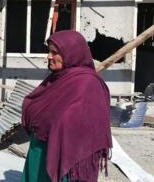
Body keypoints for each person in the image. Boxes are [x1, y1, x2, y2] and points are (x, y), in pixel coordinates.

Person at [20, 30, 112, 182]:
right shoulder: (57, 78)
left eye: (54, 52)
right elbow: (35, 103)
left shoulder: (88, 84)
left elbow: (79, 123)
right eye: (48, 51)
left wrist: (50, 120)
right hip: (40, 150)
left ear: (71, 54)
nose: (48, 57)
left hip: (67, 156)